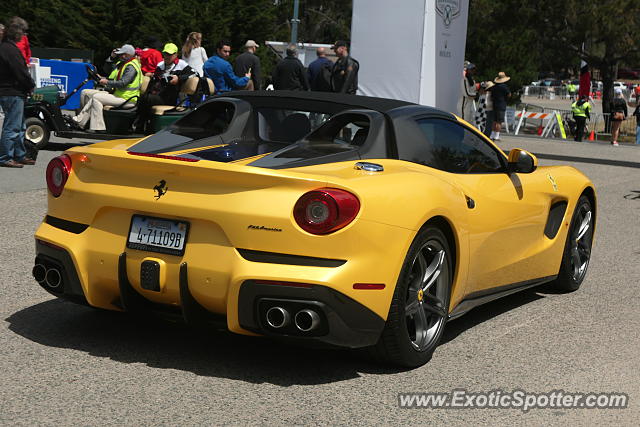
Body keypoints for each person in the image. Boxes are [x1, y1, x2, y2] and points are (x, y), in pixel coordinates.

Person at [73, 44, 142, 132]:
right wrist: (112, 57)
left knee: (96, 98)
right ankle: (84, 122)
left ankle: (97, 127)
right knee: (85, 92)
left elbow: (123, 83)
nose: (119, 56)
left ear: (127, 55)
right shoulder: (122, 64)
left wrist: (107, 82)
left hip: (127, 99)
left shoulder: (131, 67)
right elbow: (108, 70)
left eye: (121, 54)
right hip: (118, 94)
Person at [136, 43, 196, 133]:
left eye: (170, 54)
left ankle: (139, 125)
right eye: (165, 54)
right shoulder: (160, 65)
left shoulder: (181, 64)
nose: (167, 56)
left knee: (147, 98)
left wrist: (178, 78)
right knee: (143, 97)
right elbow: (156, 79)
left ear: (176, 55)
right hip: (159, 94)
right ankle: (141, 126)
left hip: (172, 98)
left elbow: (195, 74)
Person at [0, 16, 35, 168]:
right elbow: (20, 71)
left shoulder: (6, 47)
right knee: (12, 126)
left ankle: (19, 154)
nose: (24, 35)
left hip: (12, 91)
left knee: (20, 126)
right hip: (12, 91)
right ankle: (5, 157)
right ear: (17, 32)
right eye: (23, 32)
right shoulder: (10, 49)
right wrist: (30, 84)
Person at [490, 71, 511, 141]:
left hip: (494, 105)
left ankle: (492, 135)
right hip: (501, 105)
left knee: (494, 121)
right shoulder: (504, 87)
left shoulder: (494, 87)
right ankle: (496, 136)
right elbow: (509, 95)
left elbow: (491, 96)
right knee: (499, 121)